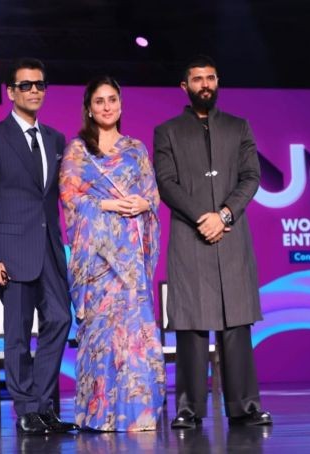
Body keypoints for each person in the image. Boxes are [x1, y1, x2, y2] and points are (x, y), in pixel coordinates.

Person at [153, 55, 273, 429]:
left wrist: (224, 215)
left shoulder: (239, 127)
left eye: (210, 78)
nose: (205, 84)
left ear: (217, 82)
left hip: (231, 235)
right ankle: (189, 409)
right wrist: (202, 218)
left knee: (236, 323)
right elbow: (166, 183)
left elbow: (251, 177)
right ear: (184, 86)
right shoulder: (167, 131)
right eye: (197, 79)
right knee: (191, 325)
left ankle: (245, 406)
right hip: (190, 236)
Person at [0, 57, 78, 435]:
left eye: (40, 85)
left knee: (60, 319)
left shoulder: (55, 139)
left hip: (49, 249)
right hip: (10, 253)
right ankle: (26, 409)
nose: (34, 90)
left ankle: (43, 405)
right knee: (17, 333)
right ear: (11, 92)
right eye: (26, 85)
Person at [60, 76, 166, 432]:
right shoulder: (78, 151)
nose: (107, 107)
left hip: (130, 255)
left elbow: (152, 196)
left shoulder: (135, 149)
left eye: (112, 100)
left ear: (120, 105)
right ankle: (99, 414)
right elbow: (70, 198)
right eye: (100, 101)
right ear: (89, 108)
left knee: (133, 329)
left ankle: (137, 413)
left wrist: (143, 204)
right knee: (101, 332)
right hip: (96, 260)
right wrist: (108, 204)